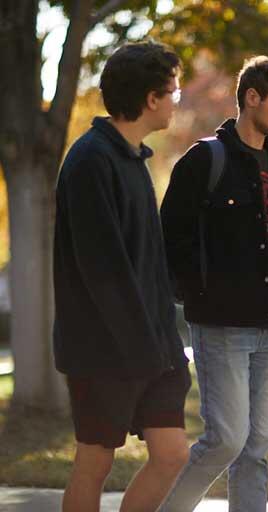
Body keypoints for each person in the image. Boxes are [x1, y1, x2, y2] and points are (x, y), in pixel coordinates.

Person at [158, 56, 268, 512]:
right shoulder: (205, 158)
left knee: (257, 447)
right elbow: (171, 236)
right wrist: (199, 294)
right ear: (251, 97)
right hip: (222, 325)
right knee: (225, 440)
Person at [53, 42, 190, 512]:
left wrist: (165, 341)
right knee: (95, 460)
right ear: (152, 98)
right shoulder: (91, 160)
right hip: (101, 348)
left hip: (154, 346)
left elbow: (147, 263)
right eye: (174, 91)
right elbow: (102, 269)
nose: (177, 100)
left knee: (172, 454)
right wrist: (142, 346)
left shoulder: (133, 158)